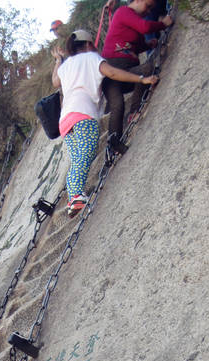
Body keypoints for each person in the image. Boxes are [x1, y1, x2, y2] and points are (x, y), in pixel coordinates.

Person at [51, 30, 158, 215]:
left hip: (65, 120)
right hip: (83, 113)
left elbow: (55, 81)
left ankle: (73, 199)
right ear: (86, 45)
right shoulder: (91, 58)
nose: (95, 48)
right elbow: (113, 73)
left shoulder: (65, 65)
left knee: (77, 158)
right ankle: (75, 195)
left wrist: (58, 60)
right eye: (93, 44)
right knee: (87, 152)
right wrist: (141, 78)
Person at [101, 0, 173, 141]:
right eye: (148, 6)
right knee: (117, 105)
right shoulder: (123, 12)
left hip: (127, 70)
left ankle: (134, 111)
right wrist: (163, 24)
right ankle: (113, 144)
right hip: (112, 70)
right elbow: (145, 27)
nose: (148, 11)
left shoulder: (134, 20)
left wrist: (148, 45)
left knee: (146, 69)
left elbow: (135, 46)